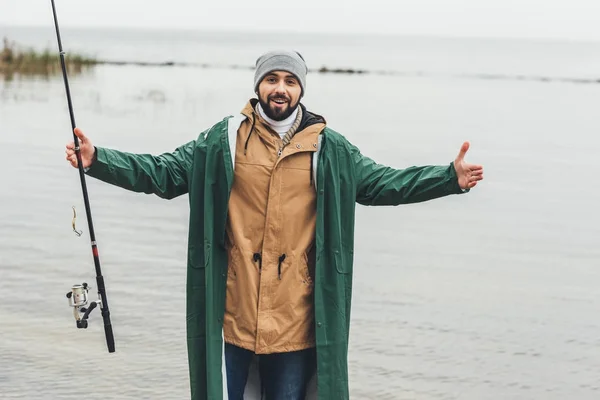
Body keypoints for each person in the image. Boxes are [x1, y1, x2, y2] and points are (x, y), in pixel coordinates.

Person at [65, 50, 484, 400]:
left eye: (289, 80)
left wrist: (449, 177)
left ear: (301, 89)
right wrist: (98, 159)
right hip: (231, 316)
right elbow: (161, 173)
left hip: (295, 324)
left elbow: (383, 183)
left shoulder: (329, 147)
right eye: (271, 79)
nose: (280, 88)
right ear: (258, 86)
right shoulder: (222, 140)